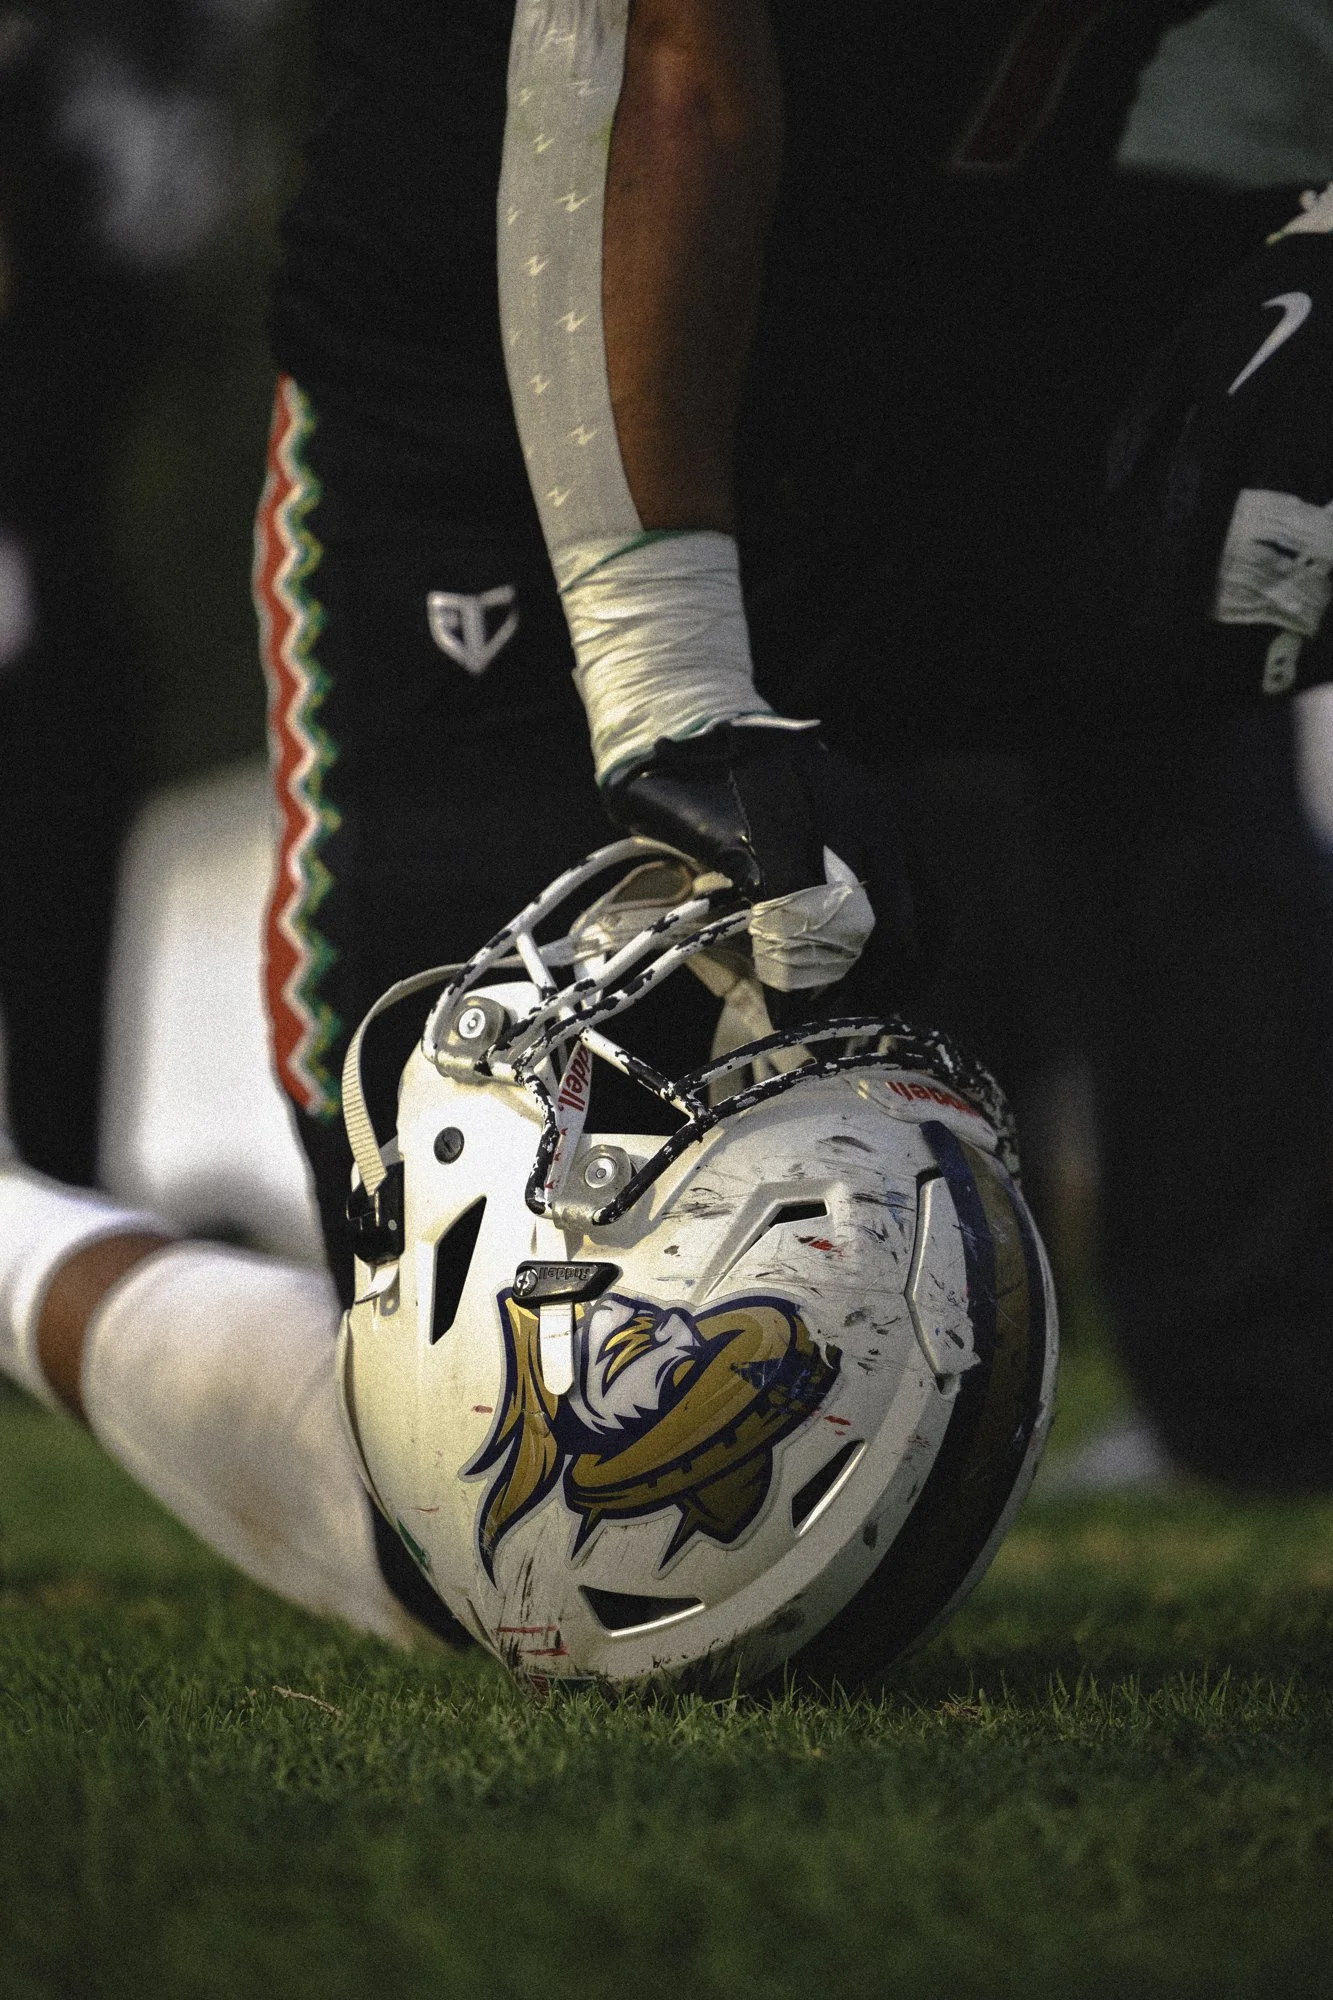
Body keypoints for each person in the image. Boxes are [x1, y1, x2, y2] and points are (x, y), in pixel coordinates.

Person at [2, 0, 1332, 1647]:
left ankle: (1228, 1373)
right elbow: (657, 57)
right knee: (493, 1502)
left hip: (976, 338)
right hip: (500, 391)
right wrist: (673, 683)